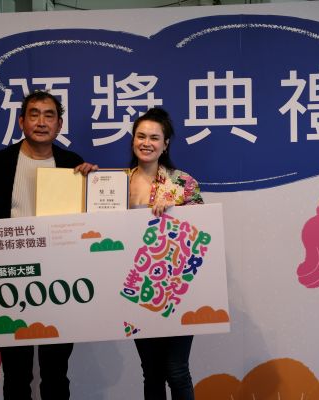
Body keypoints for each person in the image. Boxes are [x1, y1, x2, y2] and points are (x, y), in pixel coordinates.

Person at [0, 90, 97, 400]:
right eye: (34, 114)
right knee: (16, 375)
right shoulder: (1, 161)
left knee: (56, 372)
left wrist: (95, 185)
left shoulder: (71, 163)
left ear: (59, 125)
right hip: (13, 278)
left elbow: (92, 222)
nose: (41, 122)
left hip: (60, 281)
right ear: (21, 122)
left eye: (49, 115)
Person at [128, 107, 203, 400]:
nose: (146, 143)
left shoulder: (182, 182)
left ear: (165, 144)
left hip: (176, 288)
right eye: (141, 136)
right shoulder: (116, 182)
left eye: (154, 138)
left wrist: (175, 212)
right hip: (136, 286)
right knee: (151, 371)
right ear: (133, 140)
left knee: (177, 369)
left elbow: (201, 233)